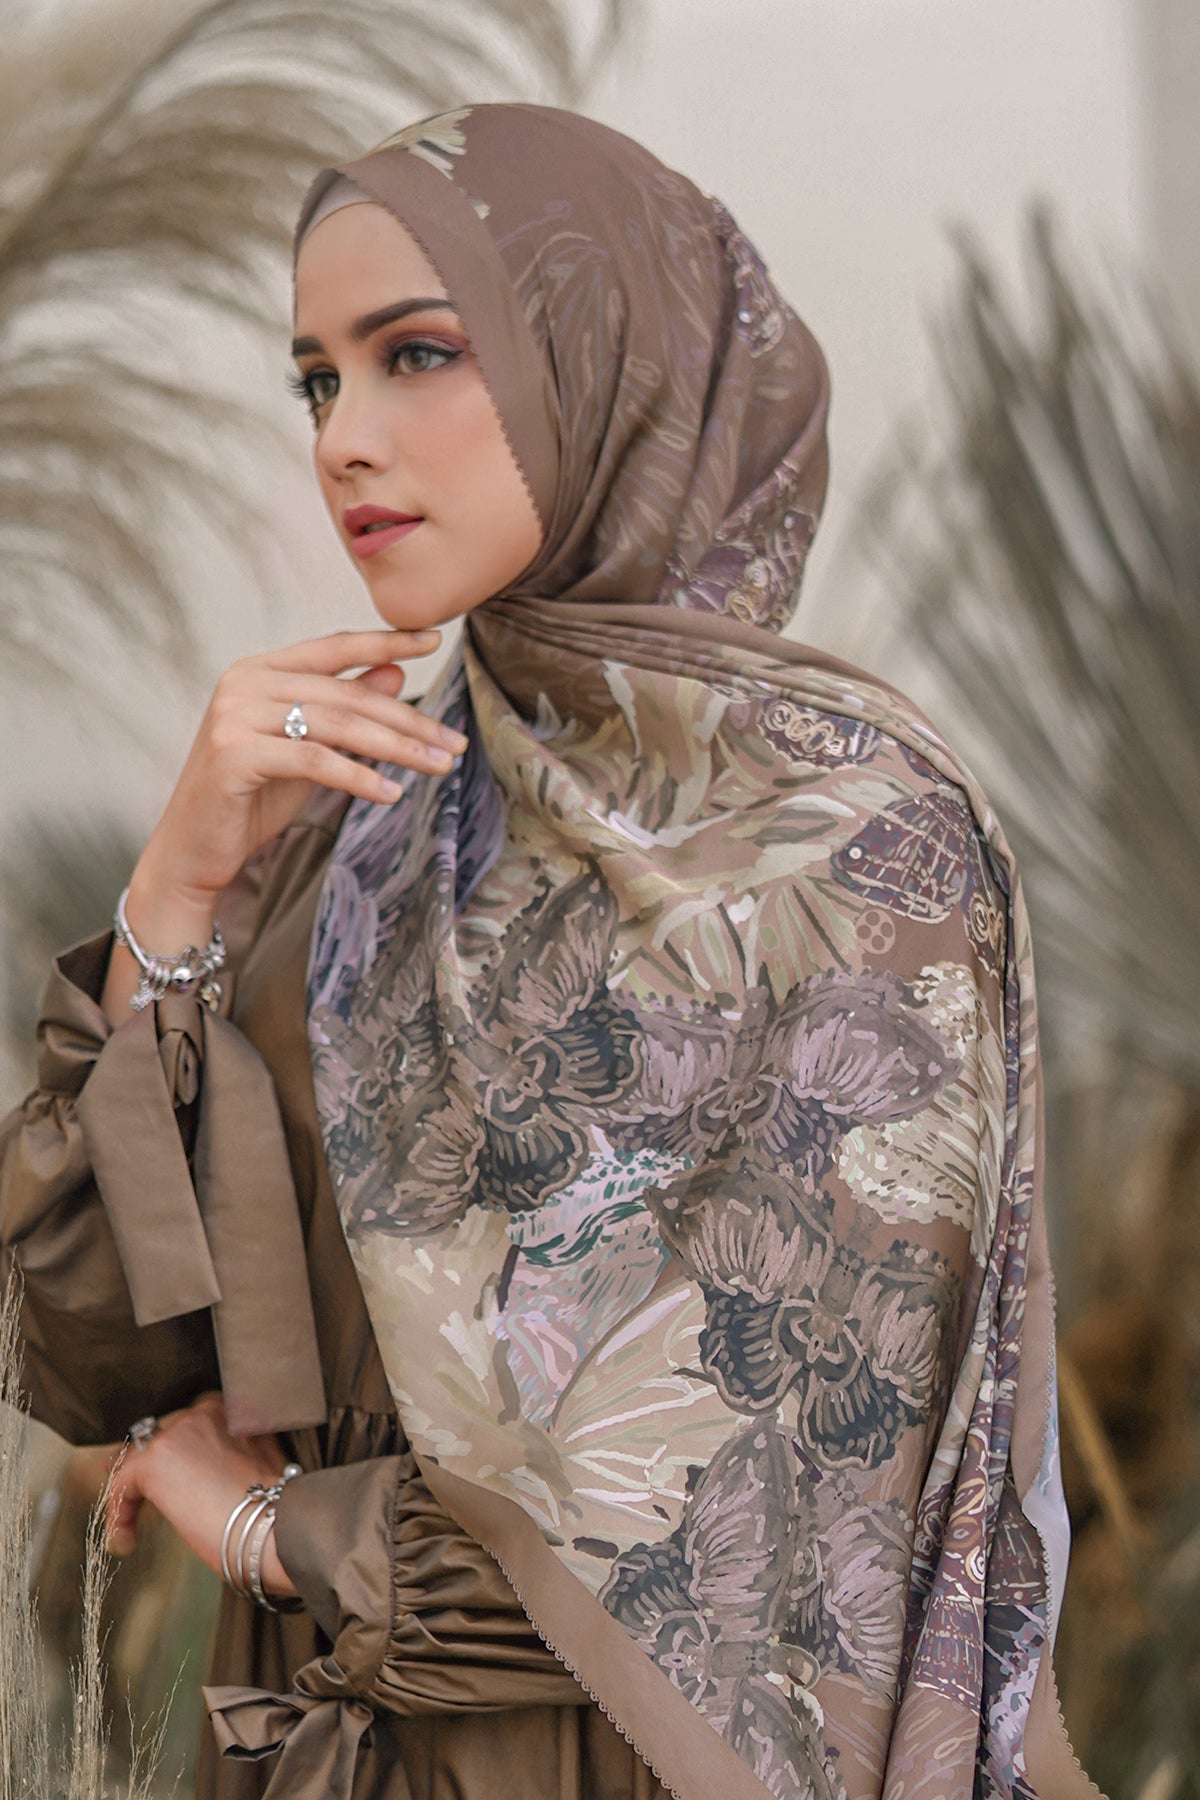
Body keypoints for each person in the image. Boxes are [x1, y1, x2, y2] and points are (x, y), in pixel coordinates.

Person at [0, 104, 1100, 1800]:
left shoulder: (857, 846)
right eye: (316, 381)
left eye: (415, 354)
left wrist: (281, 1532)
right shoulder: (362, 840)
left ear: (615, 373)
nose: (345, 439)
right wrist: (177, 892)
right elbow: (90, 1348)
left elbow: (766, 1530)